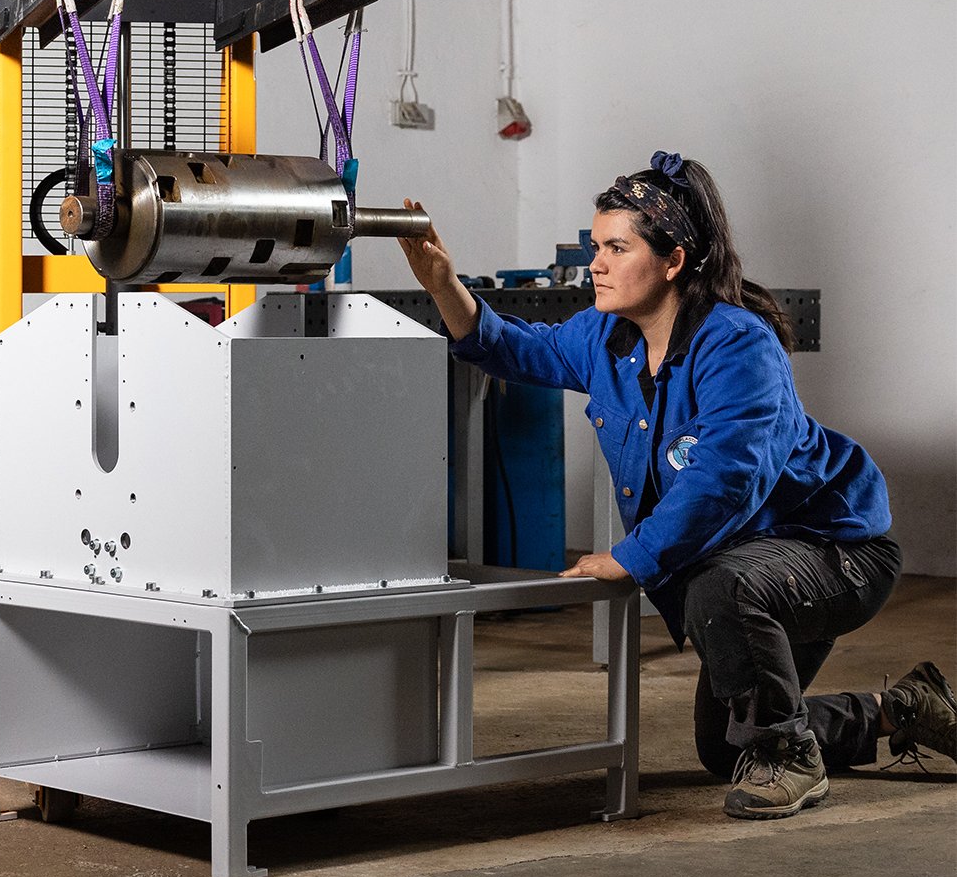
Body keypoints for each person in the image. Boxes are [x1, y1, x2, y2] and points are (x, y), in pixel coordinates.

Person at [398, 152, 955, 819]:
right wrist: (441, 283)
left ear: (673, 260)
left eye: (615, 247)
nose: (595, 264)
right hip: (746, 565)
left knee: (718, 586)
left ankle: (792, 758)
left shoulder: (737, 346)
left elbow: (724, 482)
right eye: (594, 246)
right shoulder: (607, 338)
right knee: (726, 748)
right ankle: (902, 710)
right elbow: (512, 347)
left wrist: (628, 558)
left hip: (834, 554)